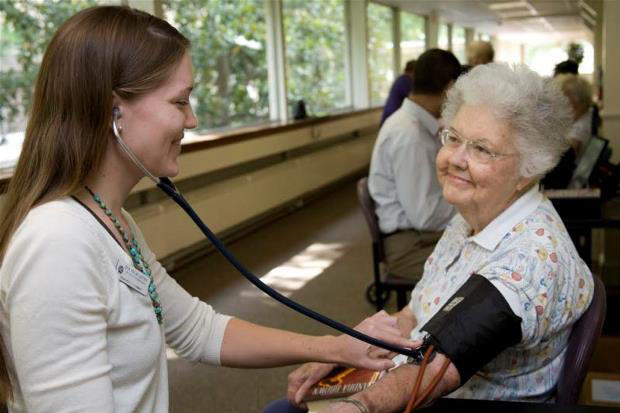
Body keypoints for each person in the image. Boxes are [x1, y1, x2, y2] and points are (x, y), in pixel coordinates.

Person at [0, 6, 417, 412]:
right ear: (113, 111)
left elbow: (197, 330)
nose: (193, 119)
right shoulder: (58, 246)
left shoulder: (110, 221)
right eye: (180, 102)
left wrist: (337, 345)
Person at [264, 63, 594, 413]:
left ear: (529, 168)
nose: (455, 159)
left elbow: (436, 369)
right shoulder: (469, 217)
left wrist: (357, 405)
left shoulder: (531, 259)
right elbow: (415, 311)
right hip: (416, 374)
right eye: (453, 138)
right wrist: (341, 351)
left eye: (482, 149)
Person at [368, 49, 460, 282]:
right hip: (410, 246)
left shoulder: (416, 124)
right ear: (450, 88)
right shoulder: (410, 135)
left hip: (419, 235)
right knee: (481, 272)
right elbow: (426, 216)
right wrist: (471, 207)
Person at [380, 60, 416, 126]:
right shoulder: (406, 81)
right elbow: (414, 99)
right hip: (392, 115)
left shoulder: (401, 79)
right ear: (413, 71)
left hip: (390, 115)